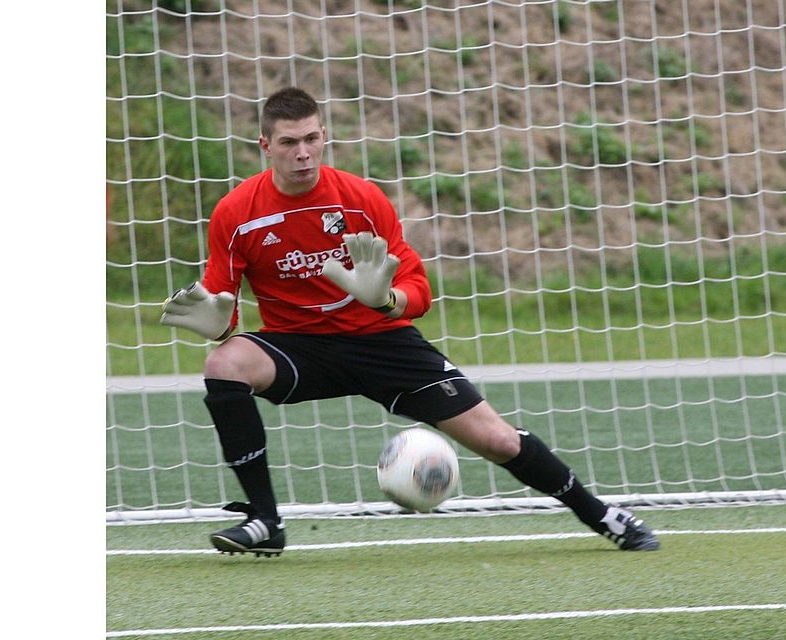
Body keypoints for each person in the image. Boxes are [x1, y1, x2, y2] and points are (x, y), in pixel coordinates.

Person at [160, 87, 659, 557]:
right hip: (299, 346)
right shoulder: (236, 212)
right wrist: (216, 324)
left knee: (498, 440)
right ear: (265, 145)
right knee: (224, 362)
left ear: (324, 136)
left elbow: (419, 289)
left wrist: (385, 300)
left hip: (382, 341)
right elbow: (221, 301)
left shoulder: (361, 199)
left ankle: (604, 517)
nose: (304, 153)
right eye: (289, 142)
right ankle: (266, 523)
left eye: (312, 138)